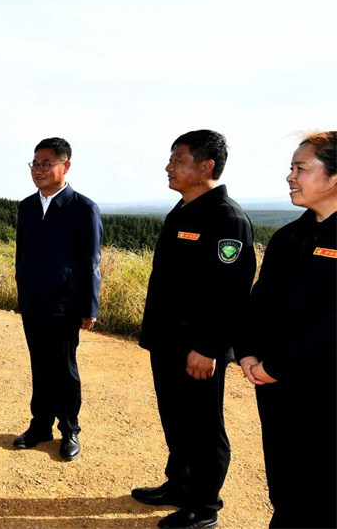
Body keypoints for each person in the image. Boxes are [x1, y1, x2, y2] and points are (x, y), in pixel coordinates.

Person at [132, 130, 256, 529]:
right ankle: (179, 484)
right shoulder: (182, 210)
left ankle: (204, 506)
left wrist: (210, 347)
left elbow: (230, 292)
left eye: (178, 159)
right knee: (176, 417)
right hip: (168, 340)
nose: (169, 166)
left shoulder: (226, 218)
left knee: (203, 424)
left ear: (206, 166)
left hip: (198, 346)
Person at [235, 131, 336, 529]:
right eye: (291, 168)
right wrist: (246, 350)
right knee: (286, 485)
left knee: (324, 492)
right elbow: (257, 303)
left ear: (334, 177)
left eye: (301, 168)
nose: (290, 177)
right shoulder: (288, 236)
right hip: (277, 388)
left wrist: (278, 363)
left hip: (324, 392)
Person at [12, 137, 102, 462]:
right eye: (35, 164)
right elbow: (21, 254)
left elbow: (92, 260)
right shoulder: (27, 207)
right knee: (40, 366)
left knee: (64, 369)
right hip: (33, 303)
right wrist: (22, 292)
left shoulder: (83, 209)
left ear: (66, 165)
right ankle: (40, 426)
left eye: (46, 163)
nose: (39, 170)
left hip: (65, 305)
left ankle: (70, 429)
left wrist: (89, 306)